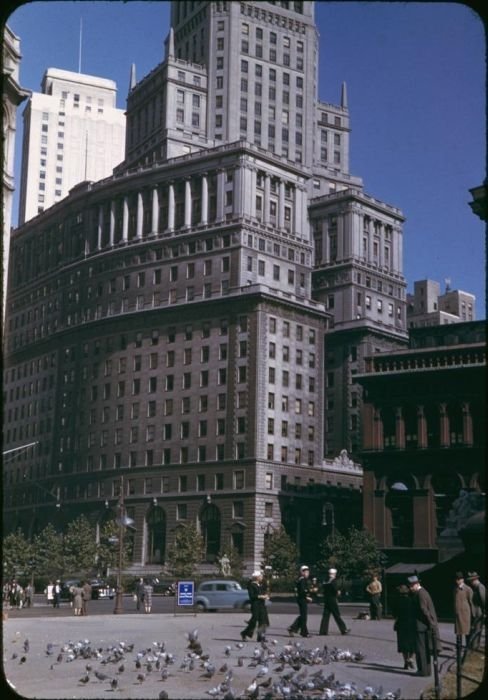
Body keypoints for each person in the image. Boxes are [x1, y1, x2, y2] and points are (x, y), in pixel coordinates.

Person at [407, 575, 440, 677]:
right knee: (425, 649)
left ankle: (422, 670)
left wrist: (431, 623)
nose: (410, 588)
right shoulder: (423, 592)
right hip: (424, 625)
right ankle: (427, 670)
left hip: (420, 626)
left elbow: (424, 610)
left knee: (420, 649)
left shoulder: (420, 594)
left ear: (417, 584)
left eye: (411, 586)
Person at [319, 568, 350, 635]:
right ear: (334, 574)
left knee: (325, 616)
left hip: (326, 599)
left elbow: (323, 590)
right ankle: (343, 629)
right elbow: (335, 590)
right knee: (337, 615)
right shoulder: (333, 581)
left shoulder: (325, 581)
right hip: (332, 599)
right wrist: (338, 592)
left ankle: (323, 631)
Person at [392, 584, 416, 670]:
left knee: (403, 644)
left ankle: (405, 661)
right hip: (412, 624)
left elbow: (394, 614)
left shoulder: (397, 601)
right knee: (413, 643)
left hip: (401, 624)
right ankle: (411, 658)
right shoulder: (412, 600)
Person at [288, 565, 316, 638]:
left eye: (308, 572)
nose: (308, 573)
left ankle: (292, 628)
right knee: (304, 617)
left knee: (303, 616)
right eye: (306, 572)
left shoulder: (302, 579)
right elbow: (302, 591)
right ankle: (304, 633)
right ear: (302, 572)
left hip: (302, 599)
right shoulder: (302, 580)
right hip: (302, 599)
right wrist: (308, 597)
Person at [241, 571, 269, 641]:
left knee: (263, 621)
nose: (262, 578)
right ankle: (245, 633)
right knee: (254, 621)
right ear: (257, 578)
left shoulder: (260, 585)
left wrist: (265, 596)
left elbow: (263, 592)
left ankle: (261, 637)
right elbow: (252, 596)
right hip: (255, 605)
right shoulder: (251, 585)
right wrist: (260, 596)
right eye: (261, 576)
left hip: (262, 605)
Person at [454, 571, 473, 649]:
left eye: (459, 579)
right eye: (456, 579)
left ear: (462, 580)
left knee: (466, 631)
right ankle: (459, 646)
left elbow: (471, 602)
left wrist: (473, 614)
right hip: (458, 613)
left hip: (465, 614)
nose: (457, 581)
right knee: (459, 632)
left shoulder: (468, 589)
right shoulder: (455, 589)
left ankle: (469, 647)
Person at [466, 571, 485, 650]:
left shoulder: (480, 587)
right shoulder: (476, 587)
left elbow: (483, 600)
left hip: (479, 612)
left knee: (477, 630)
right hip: (476, 611)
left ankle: (475, 647)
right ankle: (474, 647)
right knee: (475, 630)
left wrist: (484, 611)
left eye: (471, 581)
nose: (470, 582)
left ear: (475, 580)